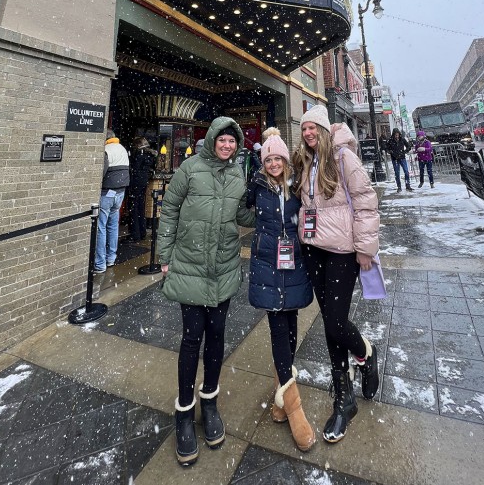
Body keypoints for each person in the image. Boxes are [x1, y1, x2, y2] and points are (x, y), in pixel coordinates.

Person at [158, 117, 255, 467]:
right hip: (190, 265)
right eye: (223, 140)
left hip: (224, 267)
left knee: (217, 336)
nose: (227, 146)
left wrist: (271, 201)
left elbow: (242, 215)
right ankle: (184, 411)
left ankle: (209, 403)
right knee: (191, 337)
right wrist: (163, 256)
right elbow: (168, 210)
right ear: (213, 139)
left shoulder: (238, 174)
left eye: (233, 142)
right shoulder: (189, 169)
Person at [292, 105, 380, 444]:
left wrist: (365, 248)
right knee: (330, 320)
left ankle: (365, 355)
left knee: (335, 323)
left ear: (325, 130)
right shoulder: (306, 161)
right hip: (313, 248)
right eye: (304, 128)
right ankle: (343, 398)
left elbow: (366, 201)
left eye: (314, 127)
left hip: (343, 252)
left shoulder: (344, 158)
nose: (308, 132)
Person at [247, 128, 315, 452]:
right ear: (264, 163)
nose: (274, 163)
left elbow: (312, 214)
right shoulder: (256, 187)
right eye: (269, 159)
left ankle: (279, 400)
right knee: (277, 330)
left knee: (290, 330)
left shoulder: (298, 187)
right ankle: (295, 408)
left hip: (295, 264)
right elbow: (240, 213)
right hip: (268, 267)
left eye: (278, 158)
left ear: (286, 160)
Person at [95, 129, 130, 273]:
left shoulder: (106, 150)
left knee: (100, 226)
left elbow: (100, 173)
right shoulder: (122, 149)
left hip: (107, 192)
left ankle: (99, 263)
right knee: (113, 225)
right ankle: (111, 258)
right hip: (120, 192)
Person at [128, 137, 157, 242]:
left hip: (136, 183)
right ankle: (142, 231)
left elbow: (134, 169)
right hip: (143, 182)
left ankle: (135, 234)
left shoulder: (139, 155)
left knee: (134, 208)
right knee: (141, 207)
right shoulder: (150, 155)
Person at [387, 128, 413, 192]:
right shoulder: (390, 140)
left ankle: (408, 185)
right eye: (395, 135)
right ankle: (399, 187)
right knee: (397, 173)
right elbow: (387, 148)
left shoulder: (402, 139)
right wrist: (391, 152)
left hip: (402, 158)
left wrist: (405, 151)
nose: (396, 136)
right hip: (395, 158)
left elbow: (408, 146)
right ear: (393, 135)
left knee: (406, 172)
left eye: (397, 135)